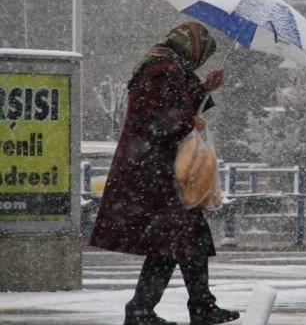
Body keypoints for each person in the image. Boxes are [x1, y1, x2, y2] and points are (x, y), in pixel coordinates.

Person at [90, 22, 240, 325]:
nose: (199, 62)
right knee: (179, 238)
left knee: (181, 238)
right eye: (202, 55)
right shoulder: (163, 68)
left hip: (156, 169)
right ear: (192, 46)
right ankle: (156, 308)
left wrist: (205, 88)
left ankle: (181, 306)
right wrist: (189, 123)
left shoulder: (165, 64)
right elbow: (161, 118)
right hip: (155, 171)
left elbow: (171, 104)